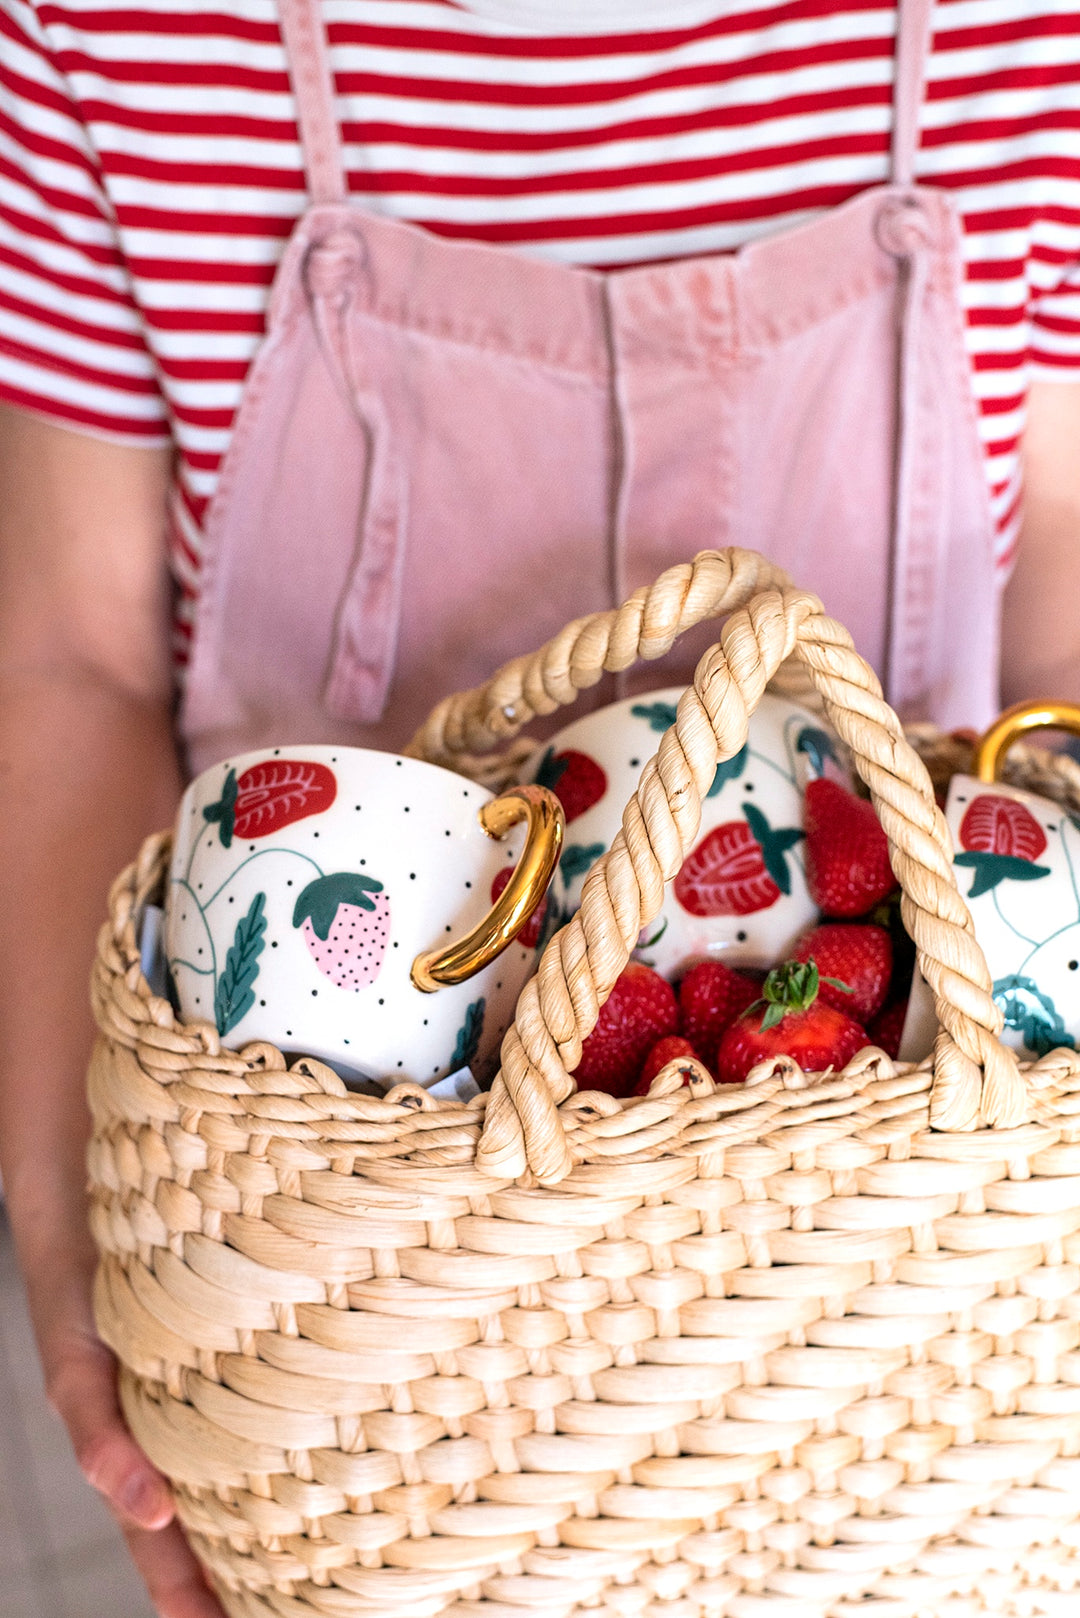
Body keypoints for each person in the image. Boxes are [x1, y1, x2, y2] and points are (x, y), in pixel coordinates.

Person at [1, 1, 1078, 1614]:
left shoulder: (1024, 30)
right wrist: (75, 1208)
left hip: (899, 1295)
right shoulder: (119, 32)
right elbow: (70, 661)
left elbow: (1050, 598)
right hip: (371, 1307)